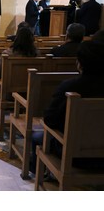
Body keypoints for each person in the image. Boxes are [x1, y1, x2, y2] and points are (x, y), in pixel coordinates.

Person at [31, 40, 104, 173]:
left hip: (73, 155)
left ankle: (39, 173)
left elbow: (50, 120)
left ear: (79, 63)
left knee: (35, 137)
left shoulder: (71, 87)